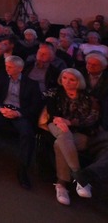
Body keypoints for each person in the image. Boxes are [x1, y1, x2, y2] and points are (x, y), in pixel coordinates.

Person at [0, 56, 42, 189]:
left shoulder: (32, 84)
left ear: (20, 69)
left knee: (27, 134)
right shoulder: (2, 77)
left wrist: (18, 113)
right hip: (3, 109)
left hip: (20, 112)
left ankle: (23, 170)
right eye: (6, 66)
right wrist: (0, 108)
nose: (7, 69)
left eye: (10, 67)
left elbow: (35, 106)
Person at [40, 68, 100, 204]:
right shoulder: (54, 92)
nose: (67, 82)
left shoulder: (89, 97)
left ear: (79, 82)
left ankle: (61, 184)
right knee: (63, 132)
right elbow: (52, 111)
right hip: (56, 125)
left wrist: (71, 122)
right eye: (65, 78)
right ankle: (80, 179)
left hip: (80, 132)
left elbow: (92, 118)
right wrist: (60, 120)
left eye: (72, 79)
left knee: (60, 142)